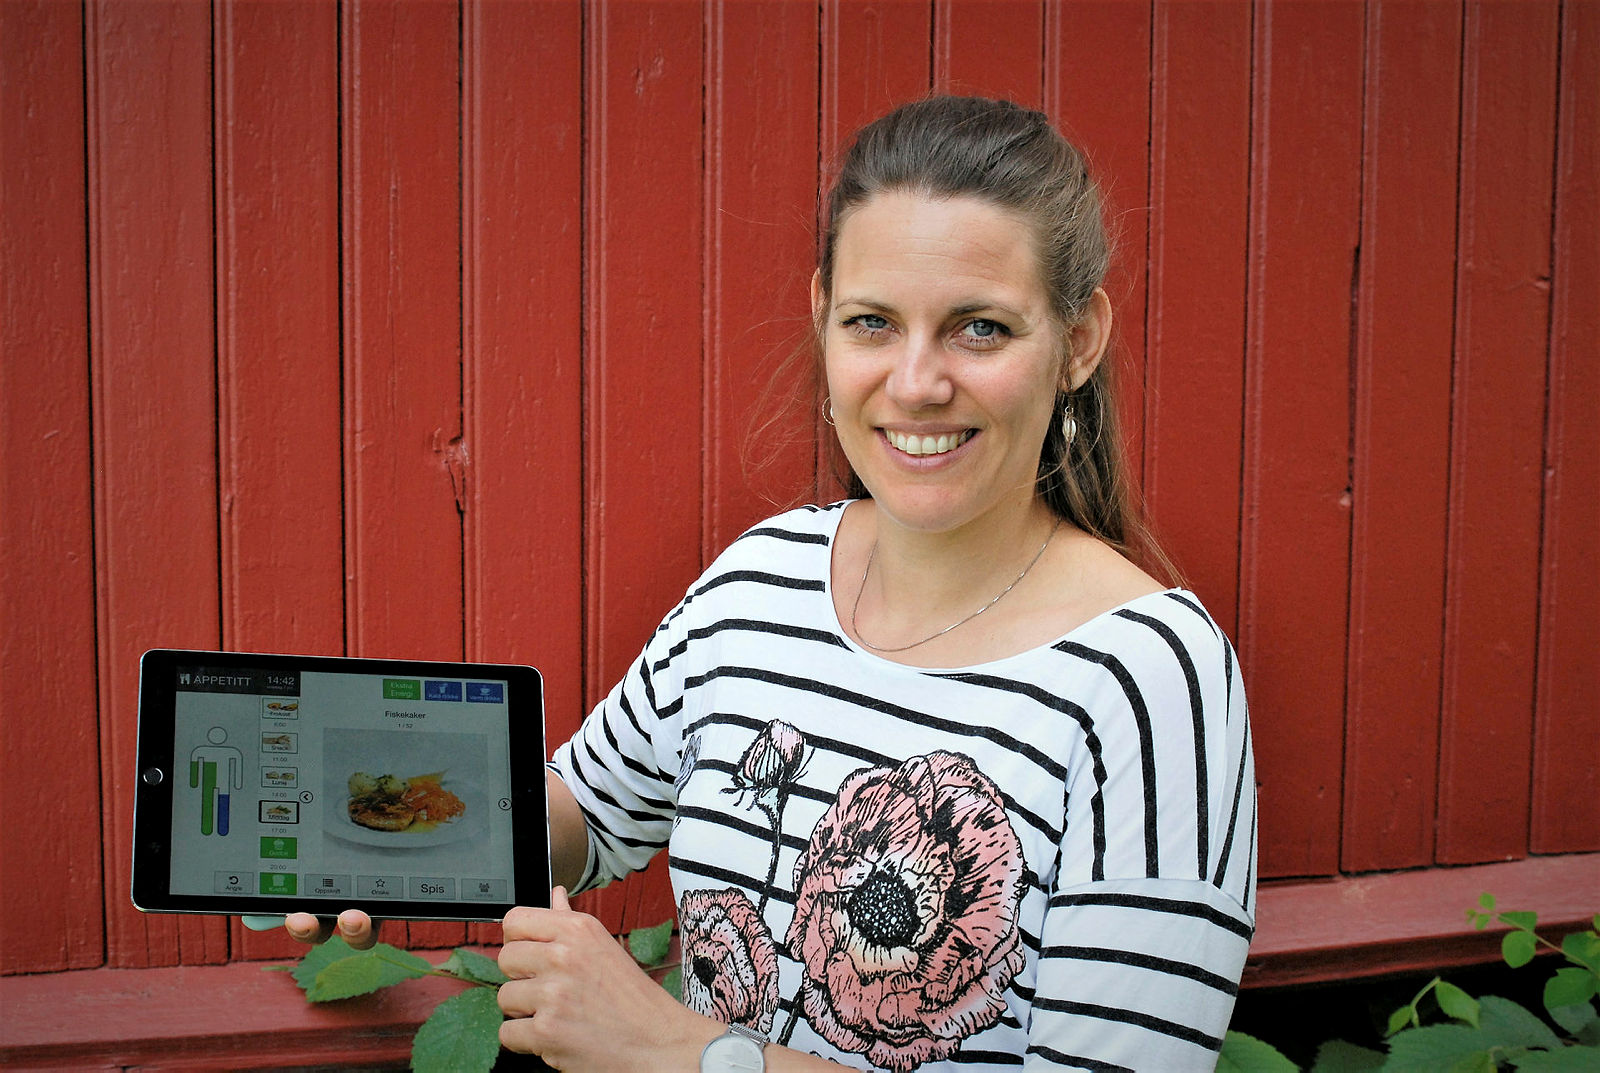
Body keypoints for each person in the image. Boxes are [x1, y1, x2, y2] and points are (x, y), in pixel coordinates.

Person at [287, 96, 1256, 1072]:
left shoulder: (1149, 678)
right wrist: (383, 824)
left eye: (979, 328)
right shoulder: (761, 579)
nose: (915, 382)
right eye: (872, 322)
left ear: (1078, 339)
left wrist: (678, 1050)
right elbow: (587, 810)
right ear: (822, 316)